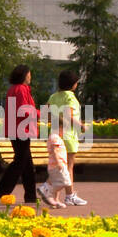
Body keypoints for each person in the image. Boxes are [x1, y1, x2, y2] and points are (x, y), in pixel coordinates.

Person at [0, 64, 39, 205]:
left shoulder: (14, 89)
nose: (30, 76)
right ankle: (2, 190)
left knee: (26, 164)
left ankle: (30, 196)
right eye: (29, 74)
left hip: (16, 129)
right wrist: (40, 113)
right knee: (20, 162)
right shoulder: (21, 90)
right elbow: (24, 110)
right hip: (21, 130)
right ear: (24, 75)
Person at [41, 71, 88, 208]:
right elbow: (70, 116)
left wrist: (57, 119)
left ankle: (66, 196)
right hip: (68, 136)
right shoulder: (71, 98)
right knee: (68, 167)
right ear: (73, 84)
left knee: (60, 166)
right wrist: (82, 126)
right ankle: (65, 194)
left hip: (55, 135)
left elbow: (45, 114)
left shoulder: (53, 96)